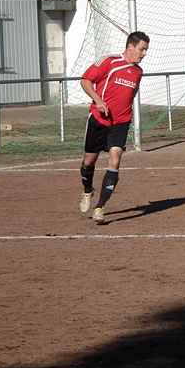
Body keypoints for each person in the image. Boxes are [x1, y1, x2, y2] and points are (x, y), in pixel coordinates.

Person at [78, 31, 150, 224]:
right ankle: (87, 190)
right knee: (88, 161)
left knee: (115, 158)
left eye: (146, 50)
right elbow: (85, 81)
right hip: (99, 120)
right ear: (130, 47)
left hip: (121, 123)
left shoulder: (138, 72)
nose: (144, 54)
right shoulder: (110, 62)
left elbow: (128, 96)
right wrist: (98, 101)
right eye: (142, 49)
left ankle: (100, 208)